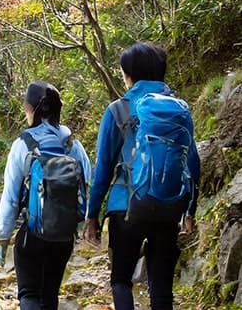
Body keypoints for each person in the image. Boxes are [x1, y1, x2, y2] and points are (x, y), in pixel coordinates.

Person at [83, 42, 200, 310]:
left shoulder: (118, 110)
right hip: (169, 206)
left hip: (126, 206)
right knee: (161, 287)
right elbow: (192, 162)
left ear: (130, 75)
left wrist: (93, 215)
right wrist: (190, 211)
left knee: (122, 280)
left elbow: (102, 168)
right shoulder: (181, 110)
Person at [0, 81, 91, 310]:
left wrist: (3, 240)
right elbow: (87, 182)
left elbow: (10, 196)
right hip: (64, 234)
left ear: (32, 108)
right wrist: (81, 225)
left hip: (34, 231)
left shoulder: (23, 143)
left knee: (29, 294)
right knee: (49, 296)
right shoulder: (72, 143)